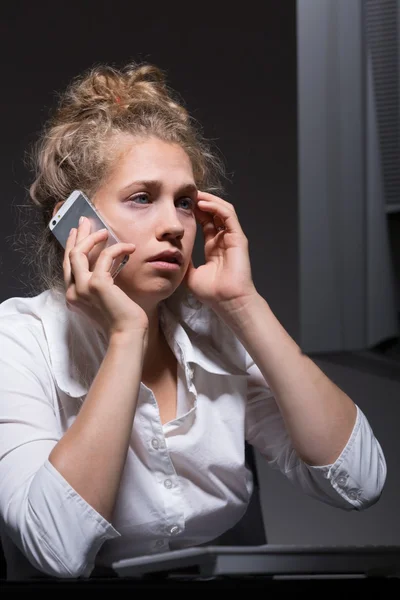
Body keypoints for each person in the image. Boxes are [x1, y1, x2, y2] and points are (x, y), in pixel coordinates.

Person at [0, 61, 386, 581]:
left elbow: (360, 482)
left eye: (184, 202)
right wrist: (125, 336)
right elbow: (59, 552)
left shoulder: (214, 331)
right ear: (75, 220)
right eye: (143, 197)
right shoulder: (18, 340)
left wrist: (243, 304)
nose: (174, 226)